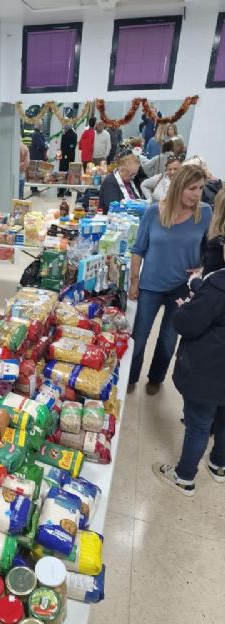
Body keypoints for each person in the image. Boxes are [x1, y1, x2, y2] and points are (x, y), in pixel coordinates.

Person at [128, 165, 212, 396]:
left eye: (200, 188)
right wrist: (134, 281)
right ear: (178, 186)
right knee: (139, 337)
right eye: (192, 188)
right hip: (150, 285)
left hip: (182, 288)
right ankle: (131, 376)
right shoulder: (153, 212)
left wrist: (203, 267)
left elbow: (211, 249)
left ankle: (156, 378)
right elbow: (138, 249)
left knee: (168, 339)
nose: (197, 194)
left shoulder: (205, 213)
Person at [152, 243, 225, 496]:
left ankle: (184, 477)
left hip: (209, 369)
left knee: (199, 424)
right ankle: (219, 464)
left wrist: (185, 308)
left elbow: (188, 324)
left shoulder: (218, 286)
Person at [57, 126, 77, 197]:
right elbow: (72, 146)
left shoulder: (63, 136)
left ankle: (61, 191)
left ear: (66, 129)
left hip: (64, 158)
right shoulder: (75, 135)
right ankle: (69, 191)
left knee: (63, 173)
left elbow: (60, 147)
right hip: (71, 157)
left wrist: (58, 157)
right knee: (70, 174)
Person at [29, 121, 48, 194]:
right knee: (35, 173)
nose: (42, 126)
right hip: (36, 156)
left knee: (36, 173)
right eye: (41, 125)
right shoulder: (36, 134)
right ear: (39, 126)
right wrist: (45, 146)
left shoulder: (38, 134)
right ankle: (33, 189)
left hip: (37, 156)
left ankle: (35, 188)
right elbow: (42, 145)